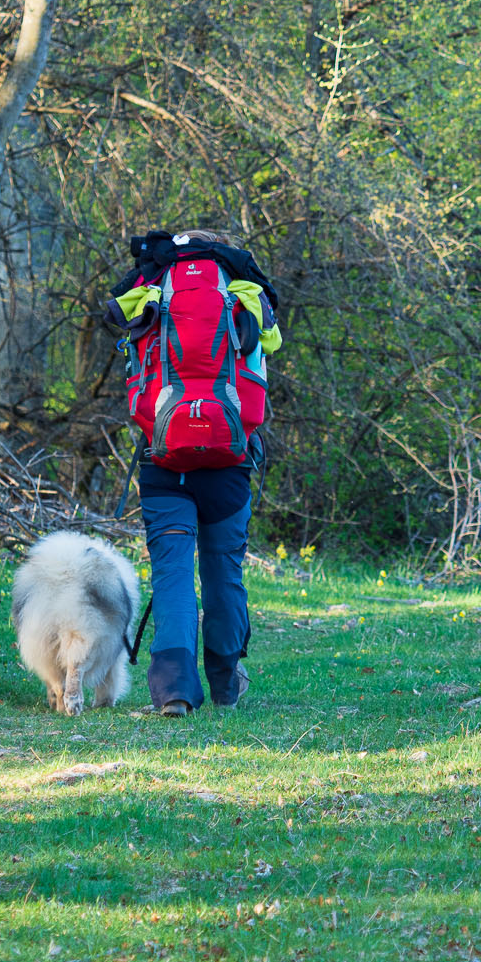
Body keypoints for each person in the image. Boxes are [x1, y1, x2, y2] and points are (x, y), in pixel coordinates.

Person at [105, 229, 281, 716]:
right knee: (224, 573)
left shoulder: (153, 290)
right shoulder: (245, 294)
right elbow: (272, 342)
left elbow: (116, 323)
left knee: (174, 574)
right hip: (228, 462)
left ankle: (174, 690)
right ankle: (225, 682)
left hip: (165, 460)